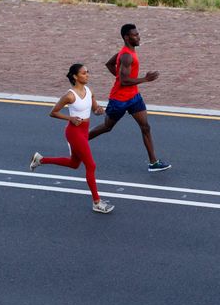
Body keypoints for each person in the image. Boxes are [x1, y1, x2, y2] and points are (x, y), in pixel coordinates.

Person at [29, 63, 114, 214]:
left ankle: (41, 160)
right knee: (91, 165)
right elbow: (53, 112)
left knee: (74, 164)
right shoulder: (70, 95)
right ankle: (96, 202)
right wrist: (71, 118)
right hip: (74, 132)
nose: (87, 75)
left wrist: (99, 111)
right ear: (75, 76)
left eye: (87, 72)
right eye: (83, 73)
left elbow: (94, 109)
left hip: (84, 131)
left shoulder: (89, 91)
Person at [88, 23, 171, 172]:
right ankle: (79, 141)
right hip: (119, 100)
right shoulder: (126, 56)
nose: (139, 37)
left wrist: (119, 76)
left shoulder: (128, 52)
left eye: (138, 34)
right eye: (135, 35)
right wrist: (145, 79)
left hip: (134, 98)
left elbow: (110, 64)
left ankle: (153, 162)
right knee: (107, 127)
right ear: (127, 37)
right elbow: (124, 81)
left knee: (145, 127)